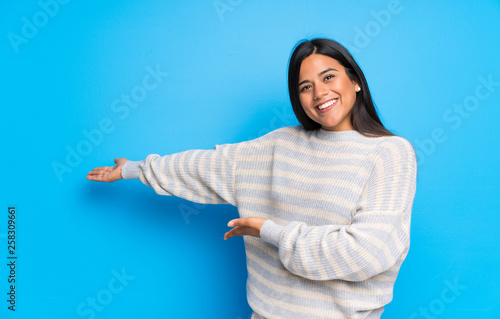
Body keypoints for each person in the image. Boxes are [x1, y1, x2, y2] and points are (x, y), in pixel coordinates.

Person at [87, 38, 417, 319]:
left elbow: (366, 253)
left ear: (355, 80)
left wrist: (268, 231)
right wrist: (134, 168)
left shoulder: (389, 153)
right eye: (306, 87)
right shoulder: (281, 145)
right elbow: (207, 166)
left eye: (328, 77)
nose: (319, 93)